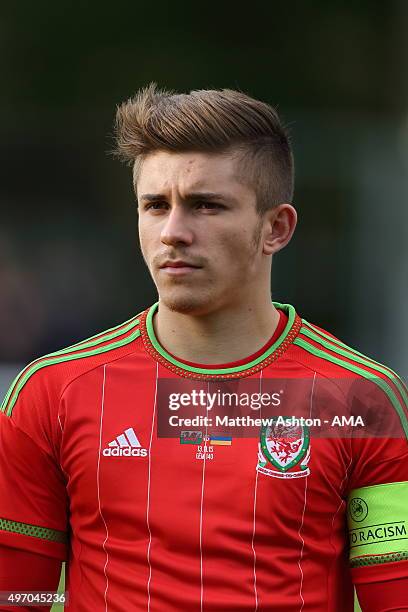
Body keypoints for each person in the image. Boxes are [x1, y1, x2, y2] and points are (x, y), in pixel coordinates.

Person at [0, 84, 407, 612]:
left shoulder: (361, 401)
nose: (173, 232)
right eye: (154, 205)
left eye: (205, 206)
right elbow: (17, 593)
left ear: (275, 228)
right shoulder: (51, 393)